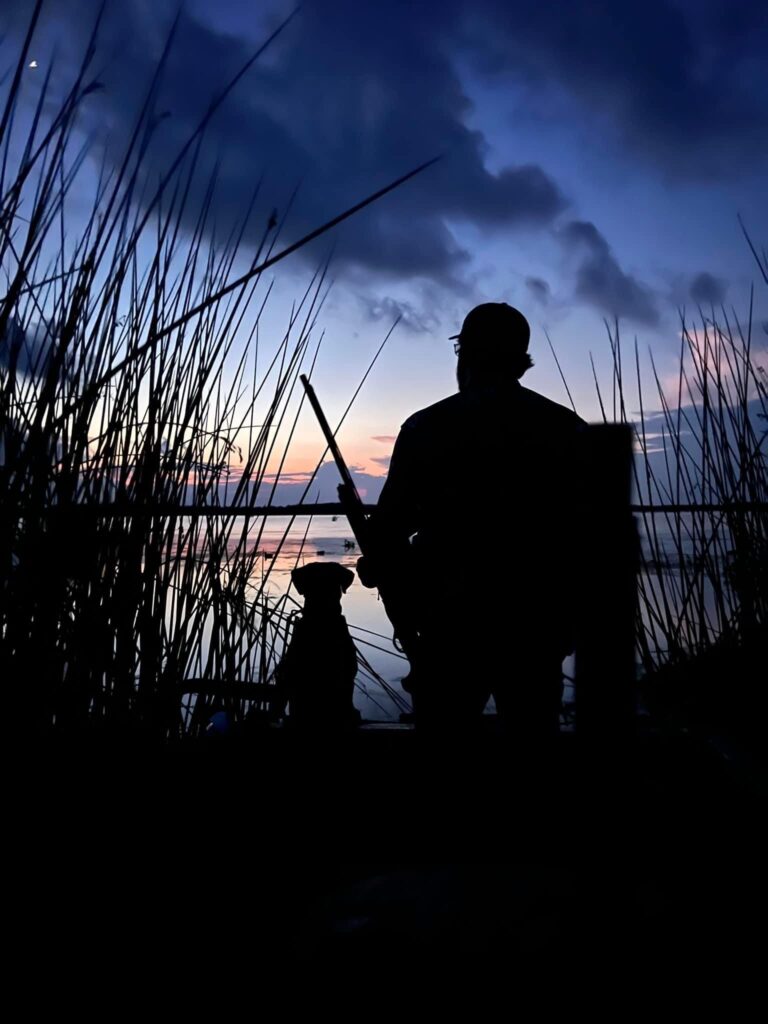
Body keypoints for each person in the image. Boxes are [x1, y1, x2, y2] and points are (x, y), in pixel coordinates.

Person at [359, 303, 586, 734]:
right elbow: (588, 539)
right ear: (521, 359)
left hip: (450, 632)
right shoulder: (566, 428)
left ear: (464, 354)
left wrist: (380, 564)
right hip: (537, 632)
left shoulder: (426, 428)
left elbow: (389, 529)